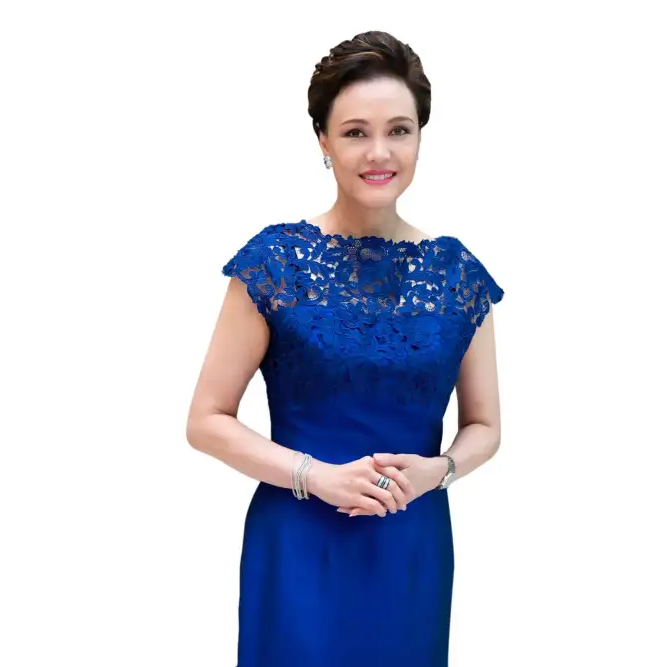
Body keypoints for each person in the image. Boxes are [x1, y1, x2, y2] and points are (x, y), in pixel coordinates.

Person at [186, 30, 504, 667]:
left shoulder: (457, 273)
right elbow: (206, 421)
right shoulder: (275, 263)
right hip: (298, 539)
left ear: (420, 137)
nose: (379, 152)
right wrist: (317, 477)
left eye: (399, 131)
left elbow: (485, 426)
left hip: (410, 543)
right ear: (323, 141)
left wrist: (438, 471)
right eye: (356, 132)